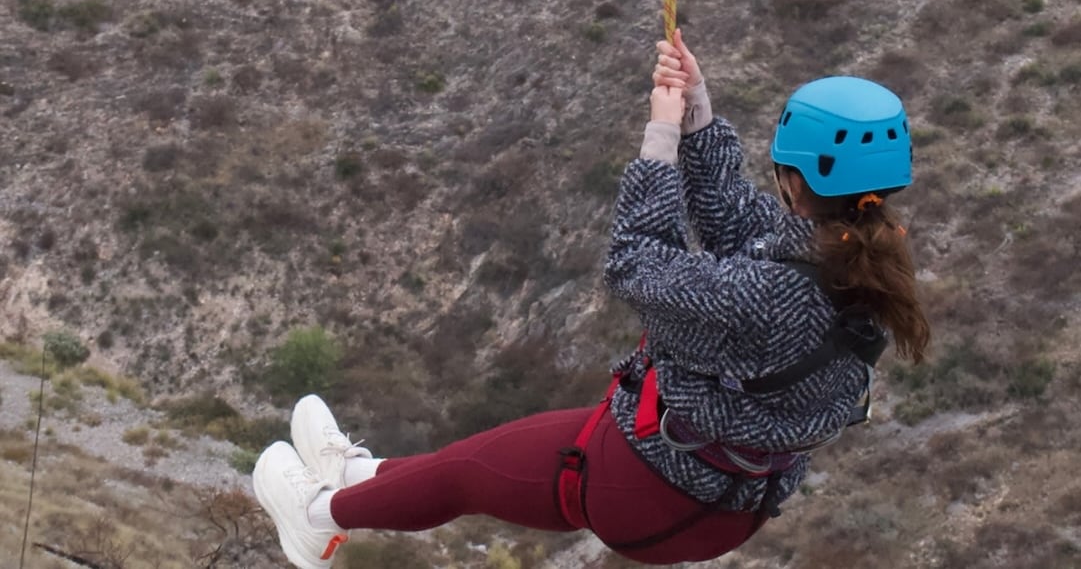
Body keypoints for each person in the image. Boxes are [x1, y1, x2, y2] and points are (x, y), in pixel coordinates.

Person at [252, 29, 931, 568]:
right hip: (718, 492)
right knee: (482, 460)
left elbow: (634, 264)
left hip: (657, 493)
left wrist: (658, 143)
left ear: (792, 176)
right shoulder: (861, 257)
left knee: (467, 472)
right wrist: (696, 114)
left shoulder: (771, 292)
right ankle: (355, 475)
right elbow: (736, 221)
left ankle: (316, 519)